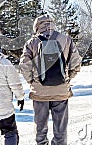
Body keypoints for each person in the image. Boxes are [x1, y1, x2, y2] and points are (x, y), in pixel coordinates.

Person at [19, 14, 82, 145]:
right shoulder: (66, 39)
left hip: (39, 92)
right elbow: (76, 62)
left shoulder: (31, 42)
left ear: (36, 26)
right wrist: (68, 77)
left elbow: (24, 66)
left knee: (40, 128)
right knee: (61, 129)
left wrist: (32, 82)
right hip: (61, 91)